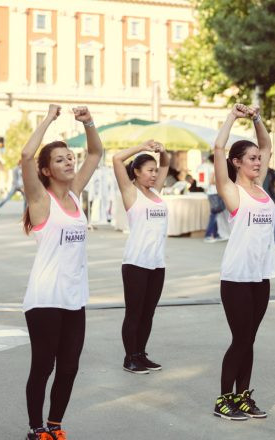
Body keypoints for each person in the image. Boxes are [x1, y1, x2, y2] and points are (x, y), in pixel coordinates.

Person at [21, 104, 102, 439]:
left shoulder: (76, 195)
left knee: (69, 366)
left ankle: (55, 425)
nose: (69, 162)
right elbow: (26, 155)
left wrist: (89, 123)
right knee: (44, 366)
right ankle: (36, 428)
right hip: (44, 297)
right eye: (60, 159)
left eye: (70, 157)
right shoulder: (41, 200)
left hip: (73, 295)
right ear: (46, 171)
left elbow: (96, 152)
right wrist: (49, 118)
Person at [213, 103, 274, 421]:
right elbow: (219, 146)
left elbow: (266, 145)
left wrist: (257, 118)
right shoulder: (233, 190)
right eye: (251, 159)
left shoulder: (260, 186)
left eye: (258, 160)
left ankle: (243, 395)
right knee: (240, 338)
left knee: (250, 338)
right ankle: (223, 399)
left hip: (261, 276)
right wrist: (232, 117)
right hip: (236, 277)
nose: (258, 161)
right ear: (236, 163)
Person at [113, 139, 169, 374]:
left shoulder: (156, 191)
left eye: (156, 171)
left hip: (157, 263)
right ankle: (129, 358)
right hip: (136, 262)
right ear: (136, 172)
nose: (154, 174)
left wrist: (162, 151)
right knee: (134, 313)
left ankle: (141, 354)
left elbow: (166, 163)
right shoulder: (131, 192)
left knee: (148, 313)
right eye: (149, 171)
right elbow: (116, 158)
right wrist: (142, 147)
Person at [204, 154, 225, 243]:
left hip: (212, 193)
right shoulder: (214, 168)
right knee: (214, 214)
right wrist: (221, 183)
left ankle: (215, 235)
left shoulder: (211, 167)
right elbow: (211, 181)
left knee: (215, 214)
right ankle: (208, 235)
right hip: (214, 193)